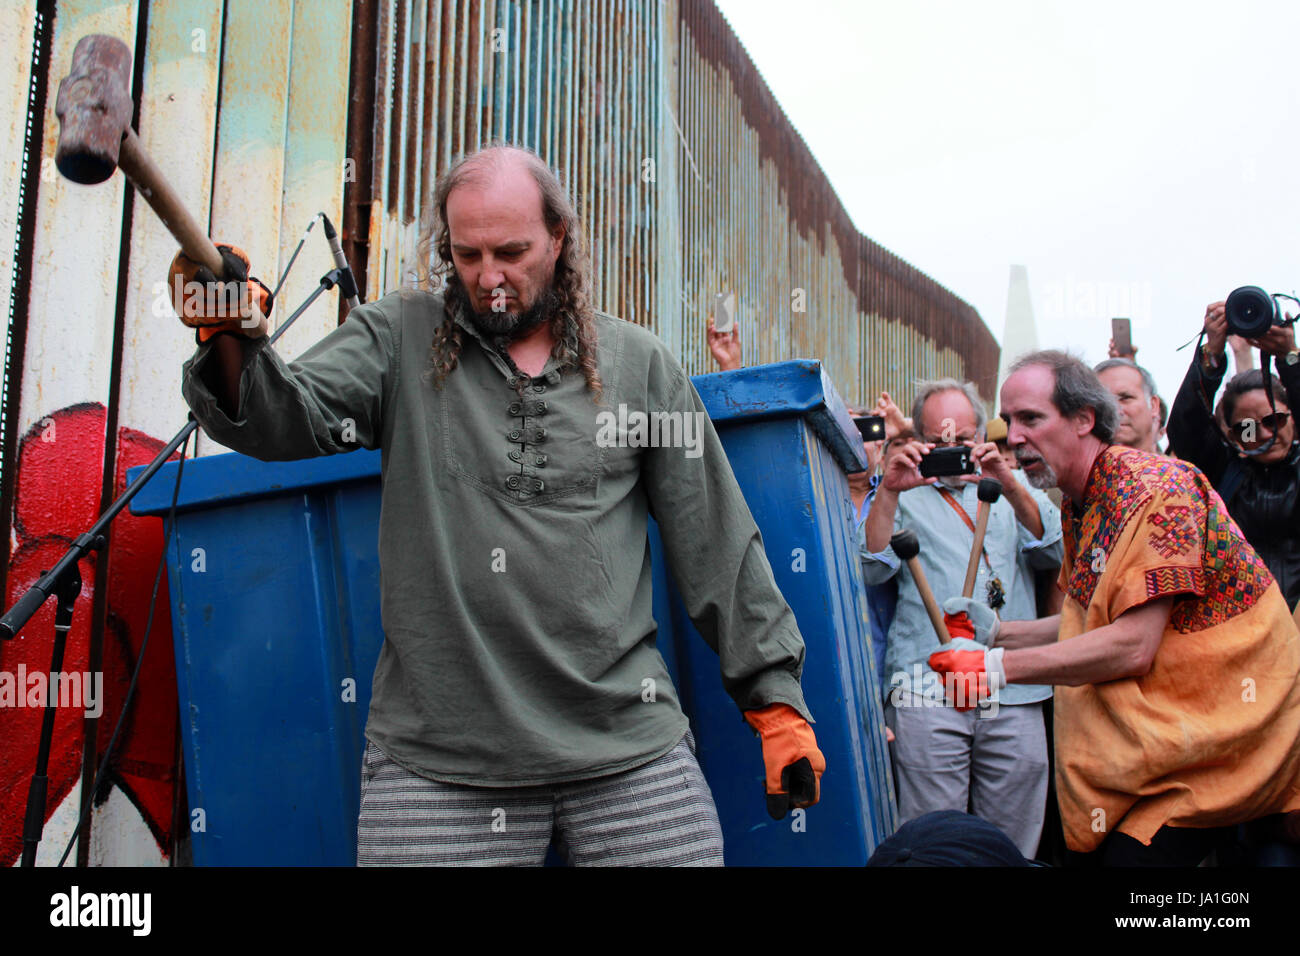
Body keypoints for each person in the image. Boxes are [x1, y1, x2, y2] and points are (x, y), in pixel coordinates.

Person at [172, 144, 825, 866]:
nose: (490, 279)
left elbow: (717, 542)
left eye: (512, 252)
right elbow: (278, 419)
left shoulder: (638, 366)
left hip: (626, 744)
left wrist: (775, 701)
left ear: (559, 238)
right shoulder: (399, 339)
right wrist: (228, 334)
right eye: (468, 255)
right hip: (438, 762)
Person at [933, 350, 1300, 866]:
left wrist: (995, 667)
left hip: (1225, 742)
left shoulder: (1156, 490)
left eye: (1031, 418)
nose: (1012, 437)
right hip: (1168, 751)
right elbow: (1097, 619)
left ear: (1085, 419)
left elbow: (1131, 647)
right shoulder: (1081, 501)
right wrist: (999, 632)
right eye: (1009, 420)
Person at [860, 378, 1062, 858]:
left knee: (1012, 843)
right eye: (939, 441)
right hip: (926, 687)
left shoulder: (1014, 490)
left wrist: (1008, 482)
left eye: (963, 439)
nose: (952, 451)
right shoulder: (902, 493)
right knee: (932, 839)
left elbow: (1053, 548)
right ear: (918, 438)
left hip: (1013, 687)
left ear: (981, 436)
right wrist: (889, 489)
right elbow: (870, 568)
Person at [1167, 299, 1300, 610]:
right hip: (1240, 626)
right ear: (1231, 433)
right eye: (1250, 428)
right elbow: (1185, 428)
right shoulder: (1223, 470)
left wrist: (1289, 356)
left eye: (1275, 420)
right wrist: (1210, 356)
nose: (1266, 434)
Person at [1094, 358, 1163, 455]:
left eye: (1125, 398)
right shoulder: (1076, 469)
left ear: (1153, 405)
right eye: (1105, 401)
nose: (1116, 411)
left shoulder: (1181, 469)